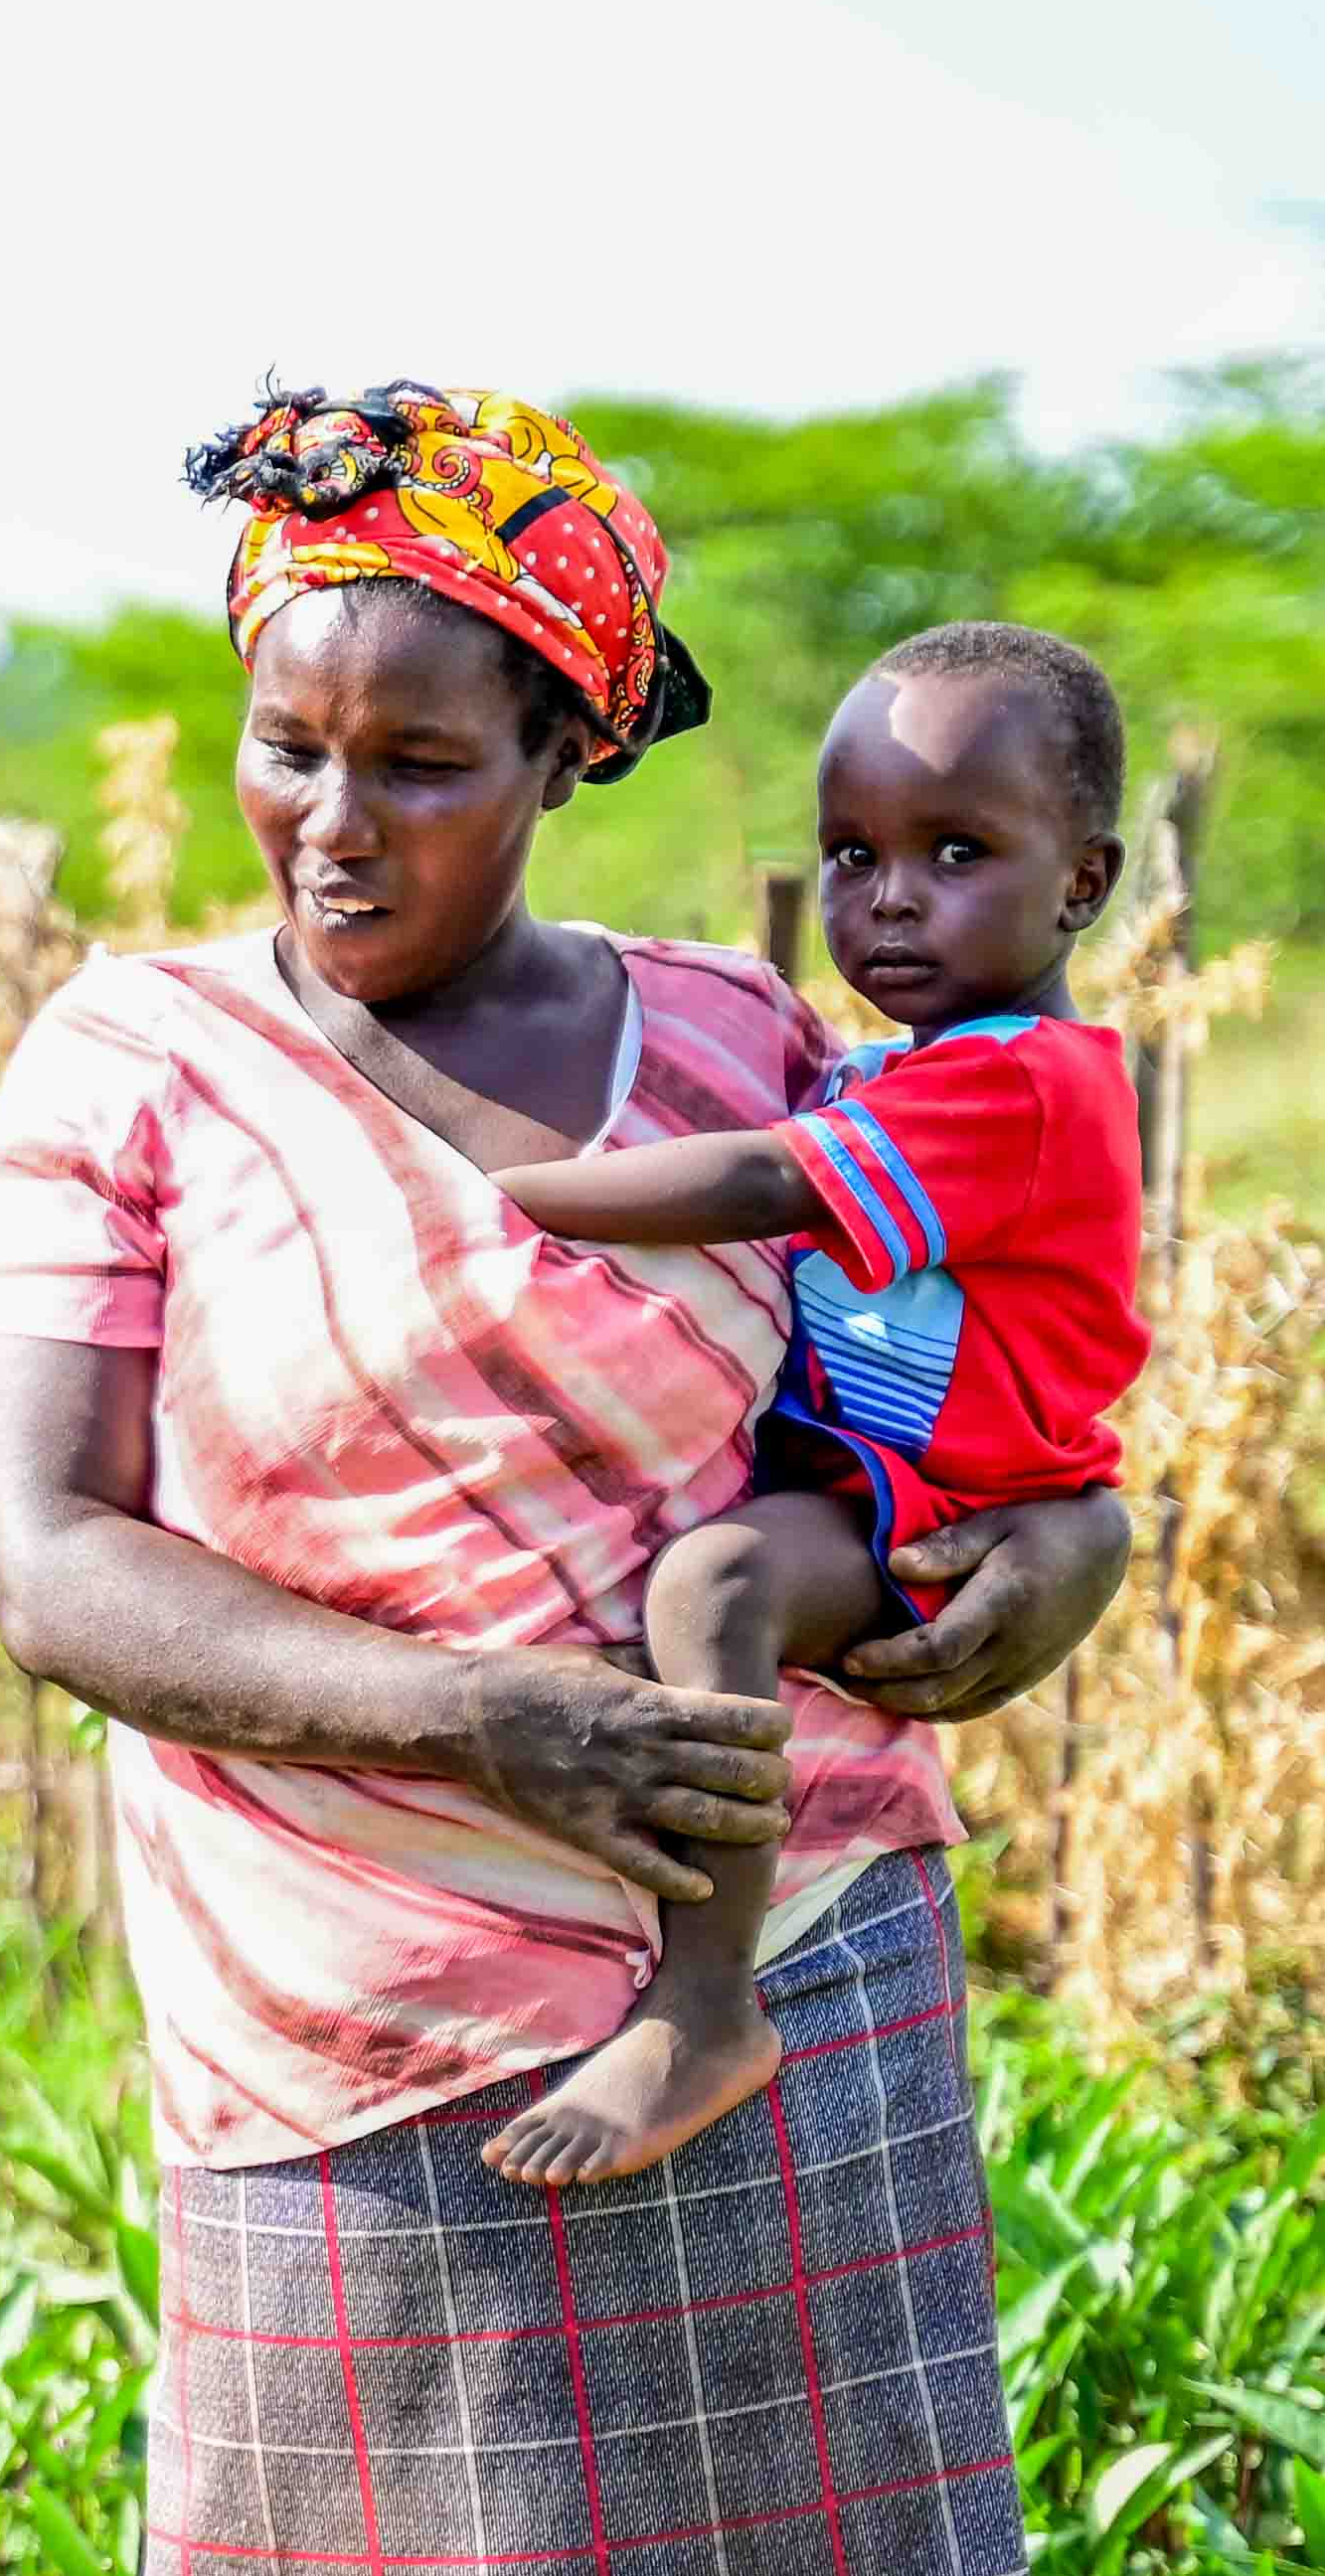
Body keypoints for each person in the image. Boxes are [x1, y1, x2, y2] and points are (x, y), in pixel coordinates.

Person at [0, 381, 1134, 2576]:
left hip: (785, 1961)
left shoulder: (767, 1047)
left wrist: (1020, 1593)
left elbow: (1015, 1422)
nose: (334, 820)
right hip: (325, 2011)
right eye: (287, 747)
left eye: (420, 758)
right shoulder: (132, 1067)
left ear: (568, 741)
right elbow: (53, 1564)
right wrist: (486, 1721)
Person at [481, 621, 1151, 2185]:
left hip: (930, 1498)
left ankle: (707, 2003)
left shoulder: (1020, 1081)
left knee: (716, 1579)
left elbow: (771, 1179)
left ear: (1085, 882)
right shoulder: (910, 1062)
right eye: (853, 854)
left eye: (957, 852)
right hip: (872, 1460)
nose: (890, 896)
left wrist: (513, 1194)